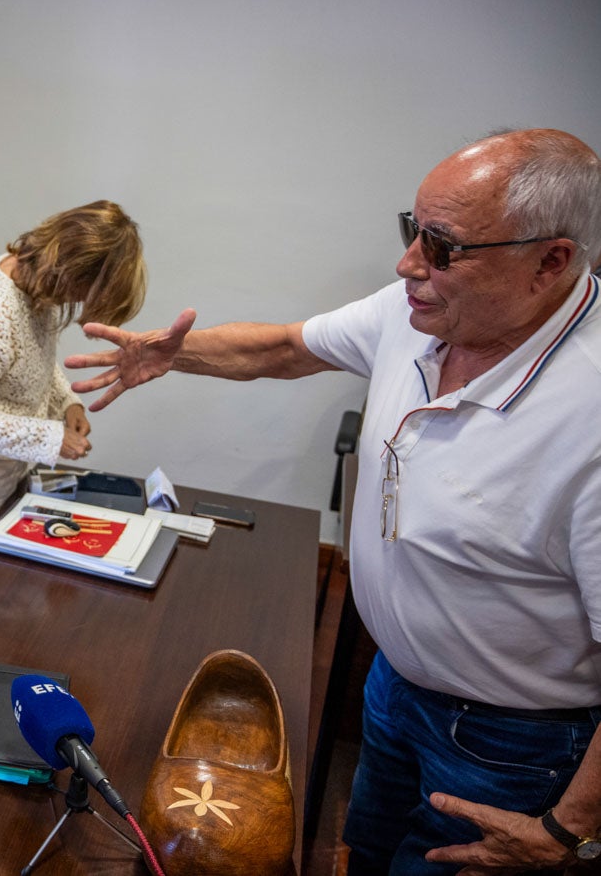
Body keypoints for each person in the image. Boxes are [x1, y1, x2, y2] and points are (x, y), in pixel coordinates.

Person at [66, 129, 601, 874]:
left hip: (513, 746)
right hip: (394, 684)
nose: (407, 263)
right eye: (411, 230)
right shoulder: (415, 309)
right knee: (369, 849)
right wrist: (172, 353)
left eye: (442, 246)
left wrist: (570, 833)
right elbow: (285, 347)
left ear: (550, 262)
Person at [0, 200, 147, 558]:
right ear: (73, 270)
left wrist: (67, 403)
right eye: (84, 293)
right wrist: (50, 436)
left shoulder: (34, 279)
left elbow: (31, 358)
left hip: (7, 455)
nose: (78, 301)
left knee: (7, 560)